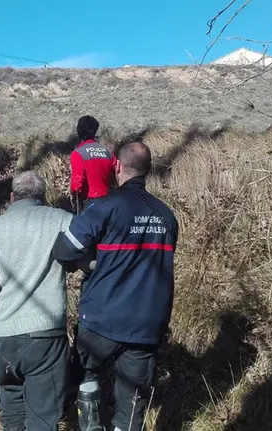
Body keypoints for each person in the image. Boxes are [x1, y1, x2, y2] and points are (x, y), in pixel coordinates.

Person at [52, 141, 178, 431]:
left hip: (102, 317)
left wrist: (90, 263)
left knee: (84, 372)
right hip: (148, 323)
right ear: (148, 170)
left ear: (117, 166)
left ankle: (90, 425)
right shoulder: (167, 216)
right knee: (133, 401)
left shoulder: (104, 206)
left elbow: (65, 251)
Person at [0, 170, 74, 431]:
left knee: (12, 417)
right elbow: (88, 260)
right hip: (44, 338)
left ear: (13, 196)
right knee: (43, 420)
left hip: (1, 338)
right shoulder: (63, 220)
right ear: (44, 197)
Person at [69, 115, 116, 213]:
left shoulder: (78, 153)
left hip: (89, 202)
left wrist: (74, 199)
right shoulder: (107, 152)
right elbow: (118, 172)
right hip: (109, 200)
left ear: (78, 131)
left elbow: (77, 184)